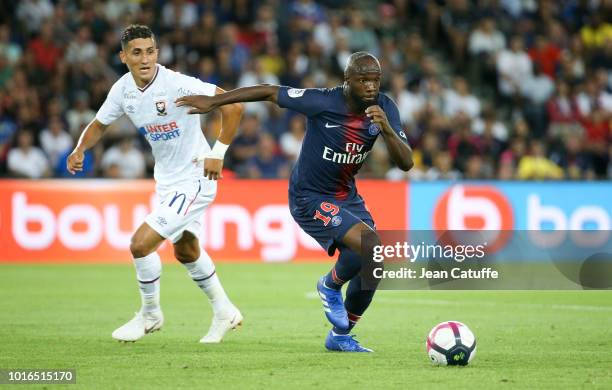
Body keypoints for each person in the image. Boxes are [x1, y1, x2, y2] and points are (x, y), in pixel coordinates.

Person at [177, 52, 413, 352]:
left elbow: (405, 163)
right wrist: (215, 102)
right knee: (372, 244)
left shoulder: (385, 108)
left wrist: (387, 129)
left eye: (375, 80)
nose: (370, 87)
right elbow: (269, 91)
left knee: (373, 262)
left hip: (346, 196)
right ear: (347, 81)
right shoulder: (322, 102)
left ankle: (341, 335)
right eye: (363, 80)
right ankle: (329, 285)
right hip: (308, 196)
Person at [67, 25, 244, 343]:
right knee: (187, 250)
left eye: (150, 51)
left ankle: (150, 314)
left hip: (196, 177)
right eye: (137, 52)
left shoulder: (177, 84)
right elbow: (98, 124)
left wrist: (218, 153)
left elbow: (233, 106)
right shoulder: (123, 90)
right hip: (167, 181)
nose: (145, 58)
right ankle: (225, 311)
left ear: (157, 53)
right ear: (123, 57)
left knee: (140, 244)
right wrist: (80, 148)